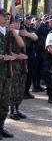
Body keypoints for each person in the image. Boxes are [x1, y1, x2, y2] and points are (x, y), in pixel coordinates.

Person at [0, 8, 16, 138]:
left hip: (6, 72)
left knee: (5, 102)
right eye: (4, 16)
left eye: (8, 17)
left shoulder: (8, 33)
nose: (7, 19)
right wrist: (2, 57)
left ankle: (1, 127)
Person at [9, 16, 28, 120]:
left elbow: (22, 45)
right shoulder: (8, 34)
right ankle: (12, 111)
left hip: (21, 65)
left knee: (20, 88)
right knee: (13, 88)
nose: (18, 24)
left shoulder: (20, 33)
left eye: (19, 22)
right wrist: (17, 56)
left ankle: (17, 109)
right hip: (12, 65)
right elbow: (6, 50)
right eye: (16, 22)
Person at [21, 14, 38, 99]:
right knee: (23, 72)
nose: (29, 20)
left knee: (30, 73)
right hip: (22, 52)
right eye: (27, 19)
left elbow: (35, 38)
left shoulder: (32, 28)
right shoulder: (21, 28)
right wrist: (29, 35)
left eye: (30, 19)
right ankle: (22, 92)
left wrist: (27, 34)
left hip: (31, 52)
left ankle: (27, 91)